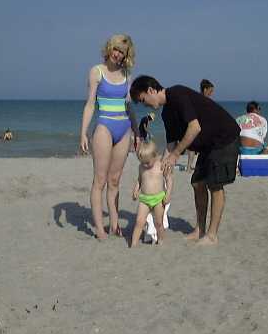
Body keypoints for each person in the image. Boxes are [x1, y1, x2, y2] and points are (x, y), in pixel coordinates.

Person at [130, 75, 240, 246]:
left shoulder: (177, 94)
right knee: (197, 183)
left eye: (143, 100)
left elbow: (194, 127)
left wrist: (175, 155)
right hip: (208, 145)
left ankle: (212, 235)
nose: (145, 105)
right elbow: (170, 145)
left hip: (224, 136)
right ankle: (199, 230)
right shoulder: (166, 113)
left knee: (215, 185)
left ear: (151, 90)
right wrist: (160, 167)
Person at [80, 34, 138, 240]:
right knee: (100, 180)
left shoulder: (127, 75)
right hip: (104, 126)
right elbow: (90, 104)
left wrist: (136, 132)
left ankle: (114, 224)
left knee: (115, 180)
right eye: (116, 49)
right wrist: (83, 133)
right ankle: (99, 228)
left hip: (124, 128)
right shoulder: (96, 72)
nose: (117, 54)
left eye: (122, 52)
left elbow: (129, 106)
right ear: (109, 48)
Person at [130, 141, 172, 247]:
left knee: (159, 223)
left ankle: (161, 240)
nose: (145, 165)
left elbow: (169, 180)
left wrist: (168, 194)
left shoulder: (161, 165)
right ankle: (134, 243)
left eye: (147, 162)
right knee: (139, 222)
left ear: (155, 156)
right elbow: (140, 180)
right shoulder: (141, 167)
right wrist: (135, 190)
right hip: (144, 199)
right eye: (142, 162)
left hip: (159, 198)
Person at [187, 79, 215, 172]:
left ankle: (191, 167)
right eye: (210, 91)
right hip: (197, 125)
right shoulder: (200, 99)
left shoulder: (199, 98)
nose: (212, 93)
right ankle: (189, 167)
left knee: (196, 147)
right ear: (205, 89)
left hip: (200, 125)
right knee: (193, 147)